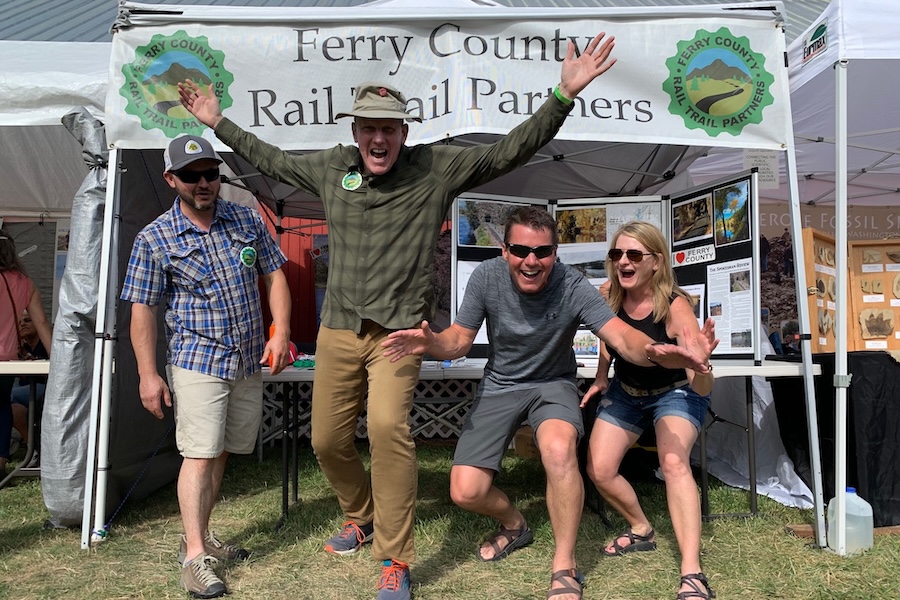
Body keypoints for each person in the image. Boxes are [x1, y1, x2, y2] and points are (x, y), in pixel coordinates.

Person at [179, 32, 619, 600]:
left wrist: (562, 96)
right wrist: (218, 123)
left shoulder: (434, 169)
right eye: (369, 128)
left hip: (400, 334)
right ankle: (360, 514)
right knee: (325, 440)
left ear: (404, 133)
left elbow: (507, 151)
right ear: (355, 131)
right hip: (340, 327)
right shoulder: (333, 169)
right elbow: (273, 160)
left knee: (388, 430)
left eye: (389, 128)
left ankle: (395, 558)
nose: (378, 138)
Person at [383, 208, 717, 600]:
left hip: (554, 383)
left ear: (555, 253)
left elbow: (623, 337)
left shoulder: (573, 284)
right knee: (465, 491)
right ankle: (515, 524)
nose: (531, 260)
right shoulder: (486, 277)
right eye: (520, 250)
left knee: (561, 450)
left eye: (542, 252)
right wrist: (433, 343)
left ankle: (565, 567)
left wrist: (656, 351)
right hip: (502, 383)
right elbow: (458, 340)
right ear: (505, 250)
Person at [120, 135, 291, 599]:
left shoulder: (245, 218)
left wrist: (279, 332)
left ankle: (201, 536)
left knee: (221, 451)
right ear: (170, 179)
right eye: (191, 175)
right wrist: (148, 374)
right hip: (197, 360)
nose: (203, 183)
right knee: (198, 453)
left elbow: (275, 275)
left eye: (210, 173)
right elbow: (142, 310)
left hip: (245, 359)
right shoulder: (155, 238)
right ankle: (194, 558)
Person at [581, 221, 716, 600]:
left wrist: (703, 365)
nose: (623, 261)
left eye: (634, 254)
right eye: (617, 254)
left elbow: (701, 385)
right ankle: (641, 528)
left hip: (676, 392)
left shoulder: (675, 307)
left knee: (673, 462)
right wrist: (601, 376)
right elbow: (608, 338)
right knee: (599, 469)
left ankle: (692, 572)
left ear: (656, 262)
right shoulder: (609, 296)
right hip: (626, 392)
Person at [0, 231, 53, 477]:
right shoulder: (25, 283)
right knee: (2, 406)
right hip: (8, 360)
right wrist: (56, 362)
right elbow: (41, 323)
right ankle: (1, 462)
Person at [10, 311, 50, 453]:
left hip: (46, 388)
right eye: (19, 323)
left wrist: (30, 361)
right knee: (14, 410)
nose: (23, 325)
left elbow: (55, 371)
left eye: (27, 321)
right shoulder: (20, 346)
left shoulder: (47, 343)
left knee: (9, 394)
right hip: (25, 389)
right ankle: (32, 448)